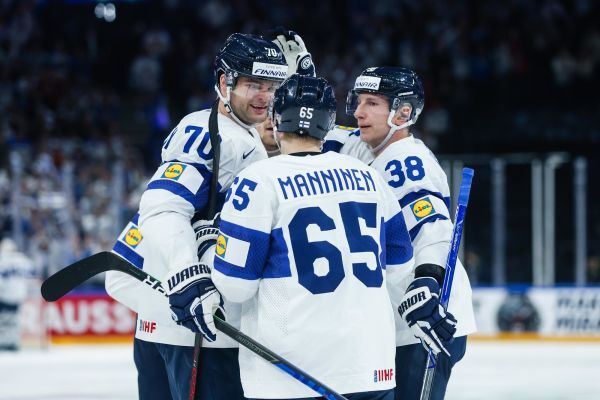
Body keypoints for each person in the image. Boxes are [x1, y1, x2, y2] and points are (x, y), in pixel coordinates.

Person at [105, 33, 293, 400]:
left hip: (179, 327)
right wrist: (186, 274)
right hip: (199, 337)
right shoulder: (213, 133)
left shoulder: (237, 134)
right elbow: (163, 205)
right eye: (254, 85)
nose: (265, 96)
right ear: (225, 83)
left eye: (272, 87)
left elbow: (123, 272)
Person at [204, 74, 414, 400]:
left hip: (290, 373)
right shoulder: (370, 177)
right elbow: (400, 268)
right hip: (370, 367)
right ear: (329, 124)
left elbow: (235, 285)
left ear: (275, 121)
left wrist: (210, 246)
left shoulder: (258, 180)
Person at [338, 67, 477, 400]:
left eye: (372, 103)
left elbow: (433, 229)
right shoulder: (365, 147)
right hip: (398, 318)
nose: (359, 112)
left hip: (426, 317)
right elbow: (317, 132)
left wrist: (427, 281)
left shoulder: (406, 161)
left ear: (402, 113)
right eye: (358, 101)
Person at [0, 238, 34, 351]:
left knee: (4, 320)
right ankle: (13, 342)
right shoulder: (23, 259)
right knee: (14, 319)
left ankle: (4, 341)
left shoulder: (2, 259)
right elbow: (33, 274)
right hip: (19, 295)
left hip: (4, 295)